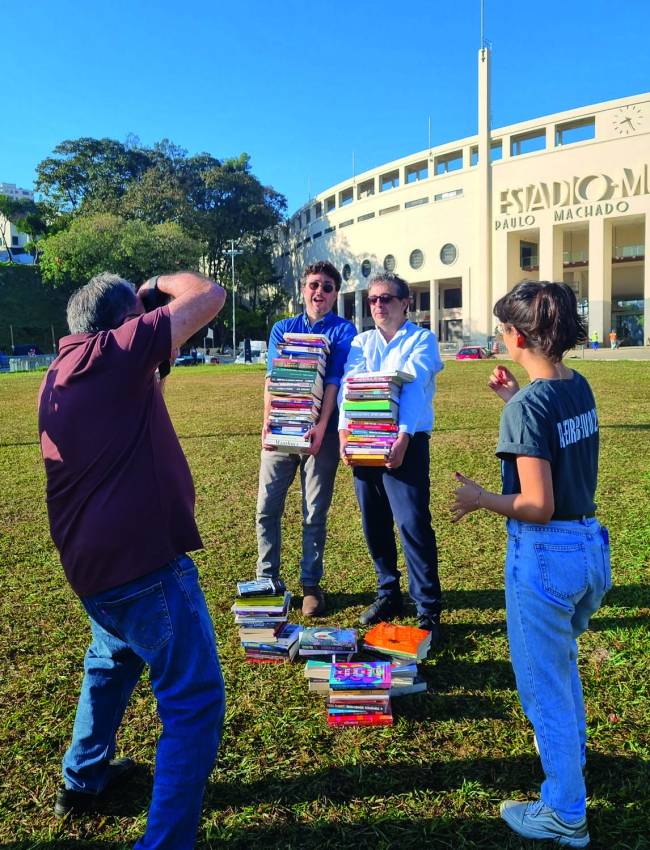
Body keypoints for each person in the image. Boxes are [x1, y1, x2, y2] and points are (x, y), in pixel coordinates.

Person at [38, 271, 227, 849]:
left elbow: (143, 404)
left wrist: (147, 342)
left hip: (95, 566)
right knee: (194, 702)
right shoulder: (113, 354)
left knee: (111, 662)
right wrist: (158, 285)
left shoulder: (64, 366)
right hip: (143, 564)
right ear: (123, 325)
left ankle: (84, 775)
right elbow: (211, 294)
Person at [451, 281, 611, 847]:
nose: (499, 337)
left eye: (502, 328)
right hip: (589, 550)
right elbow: (557, 440)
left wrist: (478, 499)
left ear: (517, 335)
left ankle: (565, 810)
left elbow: (536, 505)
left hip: (546, 558)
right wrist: (514, 398)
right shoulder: (576, 385)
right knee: (561, 665)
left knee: (542, 683)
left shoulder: (527, 407)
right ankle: (573, 757)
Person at [339, 273, 444, 641]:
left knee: (412, 523)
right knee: (375, 522)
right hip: (364, 441)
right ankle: (388, 593)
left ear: (405, 303)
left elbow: (412, 389)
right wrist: (343, 432)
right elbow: (349, 390)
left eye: (386, 298)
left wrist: (401, 436)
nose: (378, 305)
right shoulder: (361, 342)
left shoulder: (422, 340)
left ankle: (428, 608)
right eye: (372, 300)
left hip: (407, 442)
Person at [256, 261, 356, 617]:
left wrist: (320, 426)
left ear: (336, 294)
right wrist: (268, 424)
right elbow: (273, 378)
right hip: (281, 430)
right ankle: (267, 580)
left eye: (328, 287)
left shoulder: (344, 331)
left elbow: (333, 382)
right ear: (302, 289)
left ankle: (311, 585)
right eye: (314, 285)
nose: (320, 293)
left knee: (315, 511)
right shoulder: (283, 328)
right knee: (267, 508)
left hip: (321, 435)